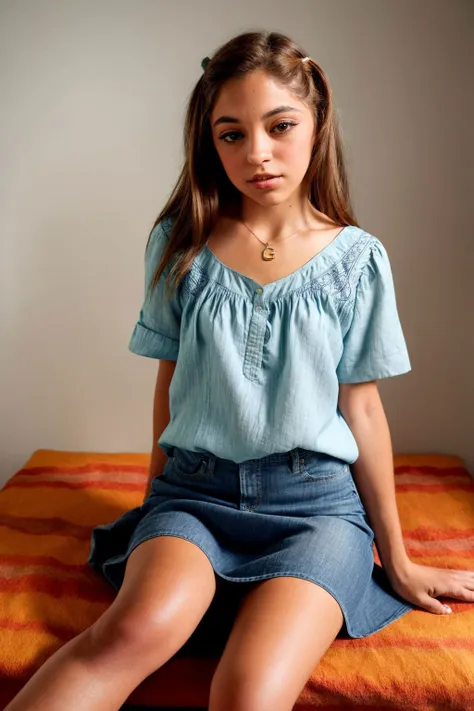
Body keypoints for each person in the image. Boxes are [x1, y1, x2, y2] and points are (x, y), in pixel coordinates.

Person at [7, 29, 473, 711]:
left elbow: (362, 408)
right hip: (195, 497)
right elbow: (169, 384)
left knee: (248, 688)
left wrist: (396, 559)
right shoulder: (179, 242)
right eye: (231, 134)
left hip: (316, 509)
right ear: (210, 141)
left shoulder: (358, 260)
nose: (256, 152)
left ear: (316, 122)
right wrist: (153, 508)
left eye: (279, 126)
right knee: (128, 632)